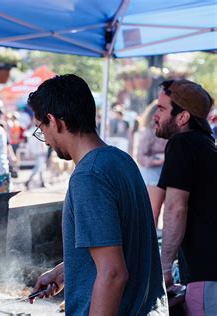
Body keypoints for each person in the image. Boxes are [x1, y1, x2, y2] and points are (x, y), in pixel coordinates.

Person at [28, 74, 167, 315]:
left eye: (42, 128)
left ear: (54, 121)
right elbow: (118, 242)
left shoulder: (88, 177)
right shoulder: (120, 159)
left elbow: (113, 273)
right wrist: (65, 271)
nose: (46, 140)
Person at [154, 79, 217, 314]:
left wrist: (164, 268)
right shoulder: (203, 145)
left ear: (183, 117)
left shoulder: (183, 143)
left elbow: (175, 208)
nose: (155, 115)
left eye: (161, 109)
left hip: (207, 273)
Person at [137, 102, 167, 226]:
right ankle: (150, 243)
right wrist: (157, 160)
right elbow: (141, 156)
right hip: (153, 174)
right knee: (153, 212)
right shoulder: (149, 133)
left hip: (165, 171)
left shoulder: (168, 131)